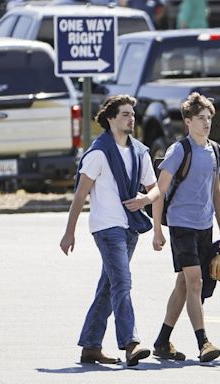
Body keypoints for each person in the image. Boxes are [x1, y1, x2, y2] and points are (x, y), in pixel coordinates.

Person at [59, 95, 159, 367]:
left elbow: (156, 188)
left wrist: (145, 200)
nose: (131, 118)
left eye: (133, 114)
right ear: (111, 119)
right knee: (122, 283)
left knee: (109, 286)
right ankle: (131, 343)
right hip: (107, 227)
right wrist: (70, 232)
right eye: (125, 114)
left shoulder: (140, 151)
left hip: (131, 226)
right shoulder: (99, 153)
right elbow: (80, 194)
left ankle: (91, 346)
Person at [152, 92, 220, 363]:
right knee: (194, 281)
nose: (206, 123)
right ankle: (203, 342)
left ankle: (162, 341)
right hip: (181, 224)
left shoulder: (216, 150)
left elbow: (216, 192)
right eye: (200, 119)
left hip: (204, 226)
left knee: (185, 284)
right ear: (187, 122)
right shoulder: (178, 151)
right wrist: (158, 231)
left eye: (209, 118)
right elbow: (159, 191)